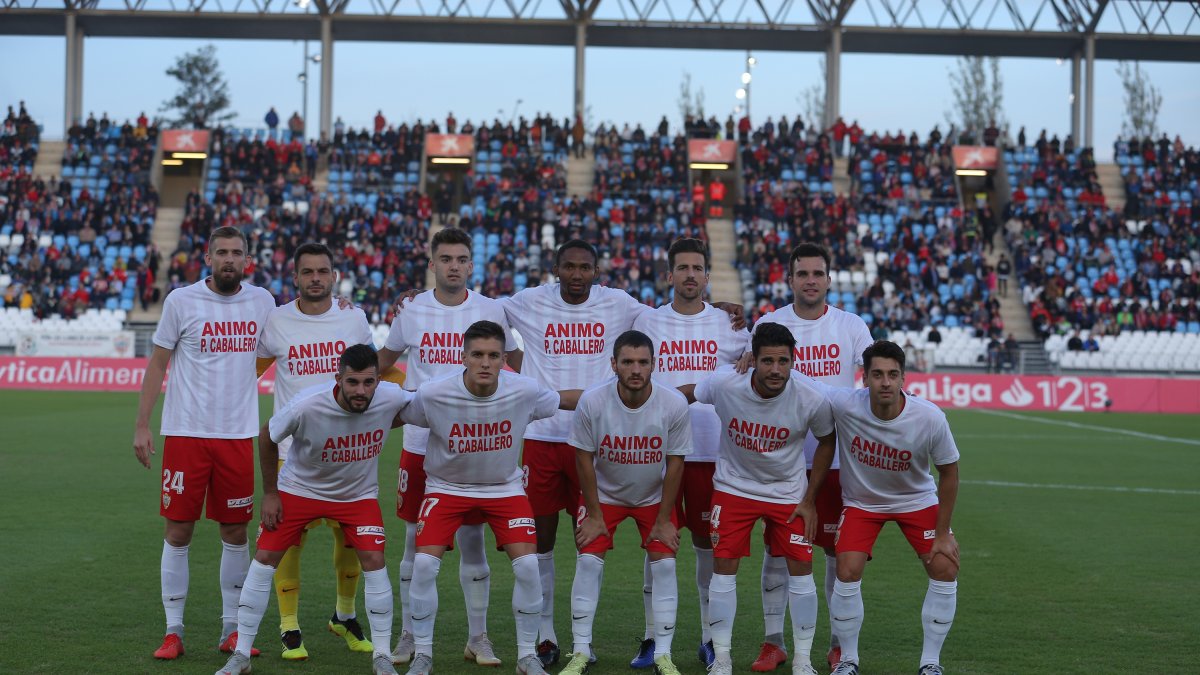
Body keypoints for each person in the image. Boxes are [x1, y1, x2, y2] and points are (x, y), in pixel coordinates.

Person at [501, 240, 656, 667]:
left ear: (596, 270)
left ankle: (583, 640)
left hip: (597, 442)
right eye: (568, 267)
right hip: (542, 439)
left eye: (584, 267)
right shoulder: (529, 301)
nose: (576, 274)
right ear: (555, 268)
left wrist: (717, 305)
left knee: (589, 540)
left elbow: (670, 317)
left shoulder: (618, 303)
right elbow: (482, 311)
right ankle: (547, 635)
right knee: (541, 540)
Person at [398, 320, 583, 675]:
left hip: (504, 489)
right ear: (463, 357)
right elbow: (394, 412)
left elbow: (564, 400)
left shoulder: (524, 390)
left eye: (494, 356)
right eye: (478, 355)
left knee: (529, 566)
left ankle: (527, 656)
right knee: (423, 565)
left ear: (504, 360)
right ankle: (423, 654)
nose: (486, 363)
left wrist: (619, 392)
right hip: (446, 488)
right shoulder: (435, 392)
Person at [214, 345, 411, 675]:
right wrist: (271, 493)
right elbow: (267, 435)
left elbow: (423, 407)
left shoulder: (391, 397)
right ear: (338, 378)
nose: (360, 391)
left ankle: (381, 656)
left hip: (357, 496)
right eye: (352, 383)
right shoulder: (307, 404)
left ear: (379, 380)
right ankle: (242, 655)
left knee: (375, 560)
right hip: (299, 491)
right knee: (264, 560)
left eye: (368, 382)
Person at [133, 225, 277, 660]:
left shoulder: (263, 302)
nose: (229, 259)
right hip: (185, 434)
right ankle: (173, 631)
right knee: (178, 531)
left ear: (247, 260)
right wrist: (142, 424)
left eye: (237, 253)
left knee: (235, 532)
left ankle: (231, 630)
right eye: (222, 252)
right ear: (208, 257)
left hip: (236, 436)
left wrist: (341, 305)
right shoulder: (181, 300)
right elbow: (158, 364)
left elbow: (303, 322)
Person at [377, 228, 517, 667]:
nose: (453, 266)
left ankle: (478, 637)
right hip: (422, 442)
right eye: (446, 258)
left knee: (473, 539)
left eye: (461, 258)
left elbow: (512, 365)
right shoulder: (412, 309)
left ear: (471, 265)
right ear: (432, 263)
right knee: (414, 541)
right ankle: (408, 635)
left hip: (477, 443)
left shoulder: (492, 309)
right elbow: (383, 363)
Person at [677, 323, 837, 675]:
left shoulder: (810, 396)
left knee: (802, 572)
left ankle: (803, 661)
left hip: (788, 493)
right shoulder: (724, 383)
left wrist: (810, 499)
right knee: (723, 570)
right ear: (753, 360)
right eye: (767, 361)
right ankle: (721, 659)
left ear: (794, 361)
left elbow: (827, 440)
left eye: (783, 361)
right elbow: (690, 392)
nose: (776, 370)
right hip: (734, 489)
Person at [751, 243, 873, 671]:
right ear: (790, 279)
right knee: (776, 552)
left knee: (835, 554)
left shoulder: (851, 325)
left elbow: (871, 378)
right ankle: (773, 641)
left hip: (836, 459)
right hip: (780, 458)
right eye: (802, 274)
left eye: (817, 274)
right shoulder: (770, 322)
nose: (810, 281)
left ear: (828, 279)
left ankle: (839, 643)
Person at [254, 243, 376, 660]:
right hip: (293, 451)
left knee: (352, 540)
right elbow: (250, 368)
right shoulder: (276, 321)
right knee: (289, 541)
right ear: (296, 277)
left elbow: (371, 371)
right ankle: (289, 625)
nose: (316, 278)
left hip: (348, 450)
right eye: (307, 272)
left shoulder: (354, 318)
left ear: (334, 276)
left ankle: (344, 615)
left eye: (323, 271)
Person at [631, 238, 750, 668]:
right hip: (656, 451)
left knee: (706, 544)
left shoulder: (730, 324)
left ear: (706, 274)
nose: (690, 275)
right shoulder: (646, 319)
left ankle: (706, 637)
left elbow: (757, 356)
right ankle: (649, 637)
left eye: (697, 268)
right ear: (669, 275)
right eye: (682, 268)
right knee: (655, 543)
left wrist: (749, 345)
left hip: (709, 451)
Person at [822, 341, 960, 675]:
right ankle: (848, 661)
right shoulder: (844, 403)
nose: (886, 382)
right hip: (863, 502)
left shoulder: (929, 417)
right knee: (847, 568)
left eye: (893, 375)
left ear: (903, 378)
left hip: (916, 500)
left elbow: (950, 472)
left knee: (944, 566)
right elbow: (797, 380)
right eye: (878, 374)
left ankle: (930, 663)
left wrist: (942, 533)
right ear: (864, 377)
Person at [559, 330, 693, 675]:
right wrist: (593, 513)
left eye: (643, 362)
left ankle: (663, 654)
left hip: (653, 497)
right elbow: (583, 458)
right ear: (614, 364)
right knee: (588, 561)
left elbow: (676, 462)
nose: (636, 369)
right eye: (628, 362)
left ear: (654, 365)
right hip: (604, 495)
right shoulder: (593, 401)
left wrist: (665, 518)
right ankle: (581, 651)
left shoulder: (673, 403)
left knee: (664, 563)